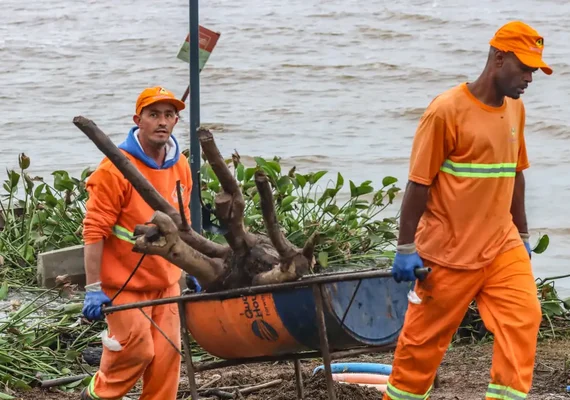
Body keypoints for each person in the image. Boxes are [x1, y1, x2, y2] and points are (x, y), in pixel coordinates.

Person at [387, 21, 552, 400]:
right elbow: (418, 184)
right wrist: (405, 247)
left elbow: (515, 173)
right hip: (448, 253)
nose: (529, 77)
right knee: (420, 351)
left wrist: (522, 235)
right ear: (498, 58)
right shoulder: (446, 111)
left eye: (534, 70)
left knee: (524, 319)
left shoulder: (516, 110)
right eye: (524, 67)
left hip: (500, 246)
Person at [80, 86, 199, 400]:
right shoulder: (112, 171)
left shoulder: (180, 165)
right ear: (138, 120)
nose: (162, 121)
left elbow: (184, 223)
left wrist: (194, 267)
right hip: (122, 285)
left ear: (175, 121)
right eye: (154, 114)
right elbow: (94, 233)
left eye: (169, 115)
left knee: (167, 358)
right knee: (136, 350)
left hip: (166, 282)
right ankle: (96, 395)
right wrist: (93, 289)